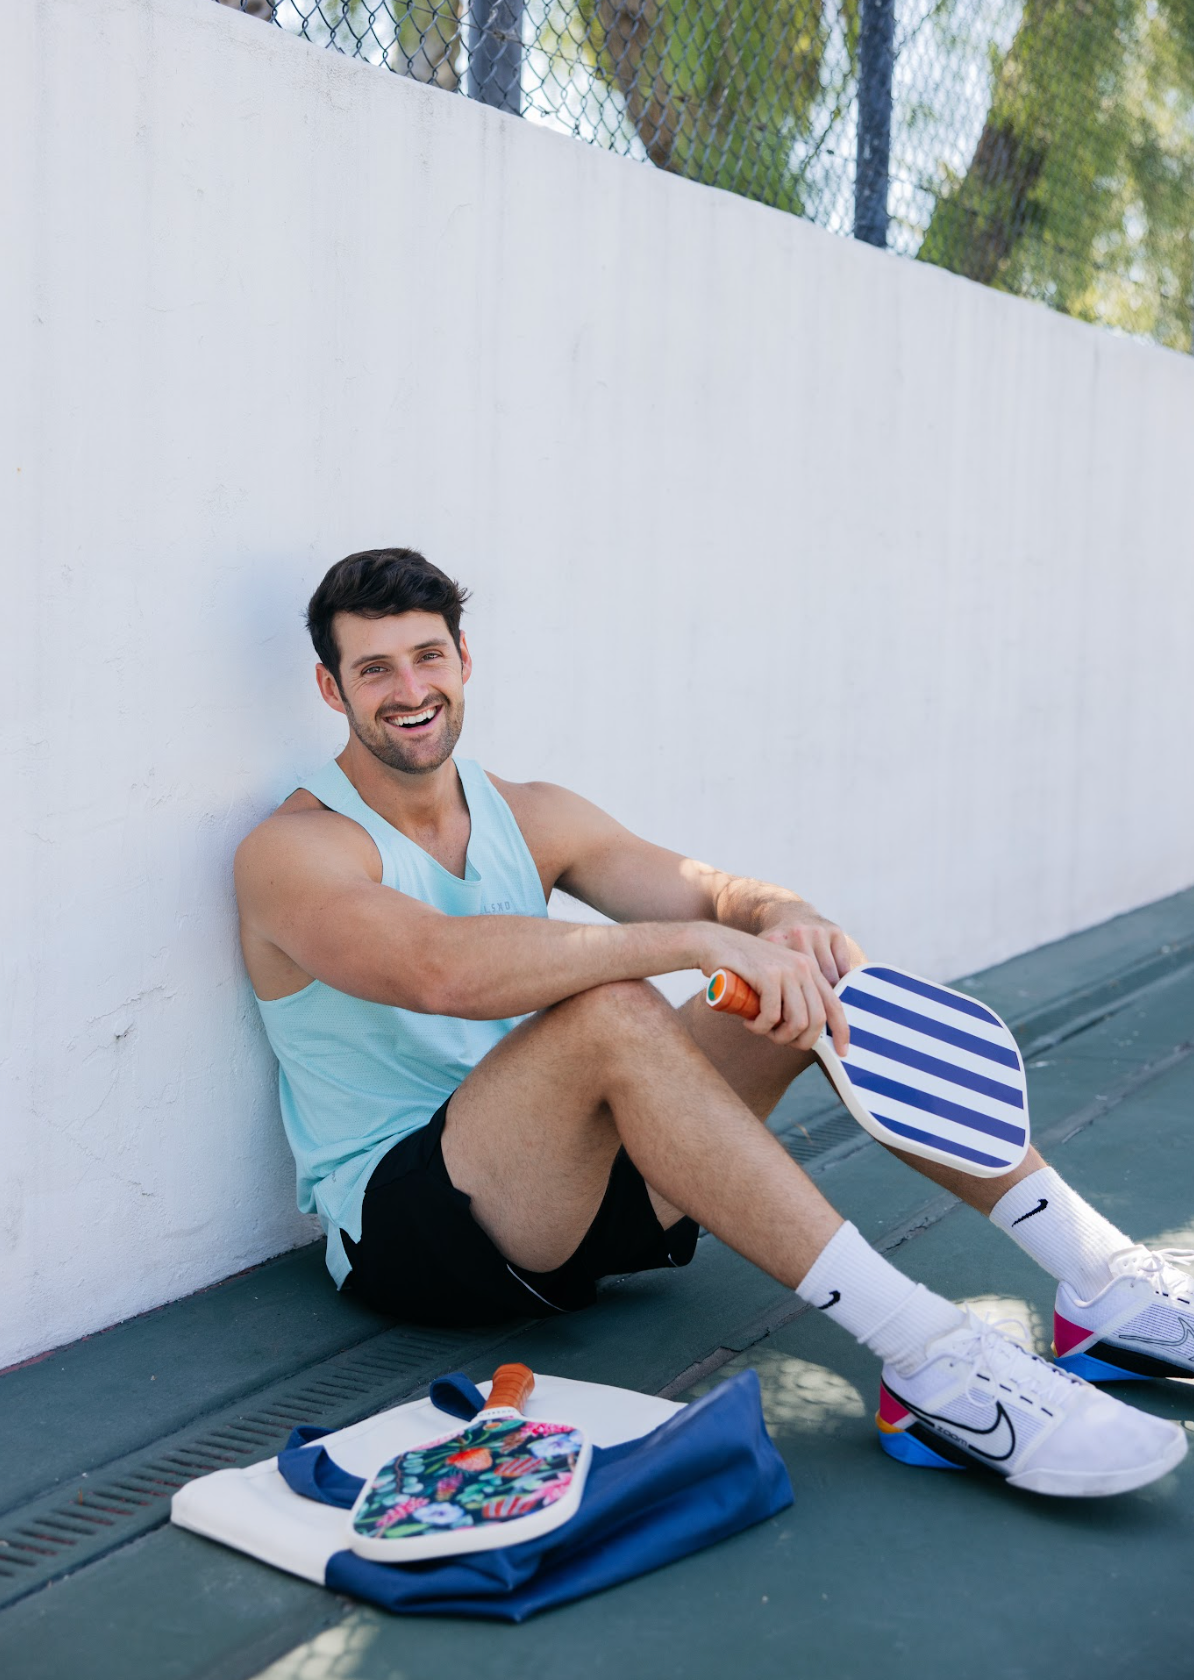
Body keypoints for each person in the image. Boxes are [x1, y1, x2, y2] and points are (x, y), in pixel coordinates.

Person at [235, 548, 1190, 1499]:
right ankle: (932, 1358)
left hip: (573, 1197)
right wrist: (696, 943)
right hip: (415, 1231)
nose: (410, 689)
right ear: (333, 688)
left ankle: (1102, 1282)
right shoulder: (295, 850)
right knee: (613, 1009)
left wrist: (785, 921)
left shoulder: (531, 813)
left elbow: (716, 892)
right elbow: (437, 971)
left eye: (427, 656)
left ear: (464, 661)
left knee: (809, 974)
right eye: (375, 669)